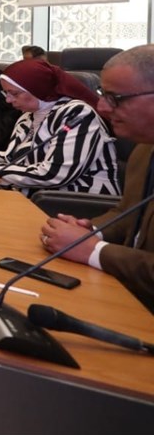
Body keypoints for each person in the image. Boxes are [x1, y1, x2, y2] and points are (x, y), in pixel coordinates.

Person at [41, 45, 154, 313]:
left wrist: (94, 250)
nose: (102, 107)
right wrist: (91, 230)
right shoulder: (144, 149)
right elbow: (127, 213)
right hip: (124, 296)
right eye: (103, 95)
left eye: (115, 98)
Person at [0, 58, 118, 197]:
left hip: (77, 202)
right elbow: (14, 159)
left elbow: (54, 174)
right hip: (35, 197)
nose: (8, 100)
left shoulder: (76, 114)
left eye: (14, 93)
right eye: (6, 93)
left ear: (37, 89)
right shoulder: (28, 115)